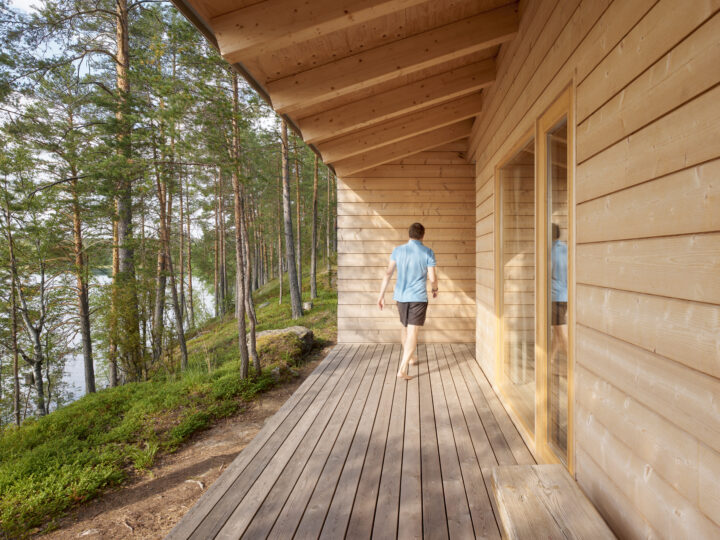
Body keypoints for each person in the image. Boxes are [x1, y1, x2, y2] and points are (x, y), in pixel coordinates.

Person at [377, 222, 438, 380]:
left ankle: (410, 358)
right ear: (422, 235)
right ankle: (402, 369)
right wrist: (434, 289)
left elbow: (388, 273)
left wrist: (381, 295)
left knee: (404, 328)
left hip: (401, 297)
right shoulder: (428, 252)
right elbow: (432, 277)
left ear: (409, 234)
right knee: (413, 332)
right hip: (418, 298)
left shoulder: (398, 250)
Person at [550, 223, 568, 364]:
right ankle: (549, 360)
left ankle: (571, 365)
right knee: (557, 331)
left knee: (561, 333)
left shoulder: (550, 252)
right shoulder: (565, 249)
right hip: (565, 296)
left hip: (555, 296)